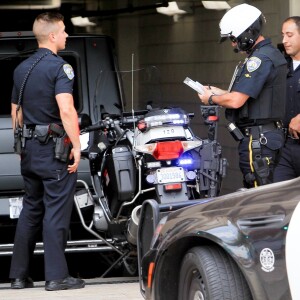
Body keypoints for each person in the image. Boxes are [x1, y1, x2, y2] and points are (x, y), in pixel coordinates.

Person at [9, 12, 85, 291]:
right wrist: (76, 146)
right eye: (64, 31)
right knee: (55, 211)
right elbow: (66, 108)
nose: (66, 35)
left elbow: (16, 110)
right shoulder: (60, 68)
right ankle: (56, 277)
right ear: (52, 36)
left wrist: (20, 145)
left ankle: (18, 276)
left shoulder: (22, 69)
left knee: (31, 209)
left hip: (29, 149)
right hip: (53, 150)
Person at [198, 4, 286, 188]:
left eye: (233, 38)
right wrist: (216, 91)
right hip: (263, 137)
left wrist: (211, 99)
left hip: (259, 140)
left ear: (247, 33)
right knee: (259, 189)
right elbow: (245, 95)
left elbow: (236, 101)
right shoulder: (265, 55)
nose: (233, 43)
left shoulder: (259, 59)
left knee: (258, 193)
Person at [273, 17, 300, 182]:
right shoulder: (280, 67)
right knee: (278, 199)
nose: (284, 40)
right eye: (283, 35)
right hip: (285, 148)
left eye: (289, 35)